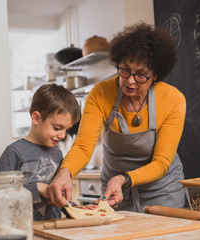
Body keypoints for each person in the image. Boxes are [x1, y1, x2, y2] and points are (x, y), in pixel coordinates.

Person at [48, 22, 187, 212]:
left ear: (155, 75)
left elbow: (161, 162)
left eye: (141, 74)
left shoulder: (172, 99)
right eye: (125, 69)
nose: (130, 80)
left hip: (162, 191)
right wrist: (65, 173)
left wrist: (124, 178)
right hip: (115, 193)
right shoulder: (100, 94)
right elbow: (82, 146)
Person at [0, 83, 80, 220]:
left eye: (66, 130)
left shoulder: (57, 154)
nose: (63, 135)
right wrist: (38, 188)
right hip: (21, 231)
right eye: (57, 128)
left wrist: (76, 209)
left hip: (52, 230)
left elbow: (58, 196)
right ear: (36, 118)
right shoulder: (14, 152)